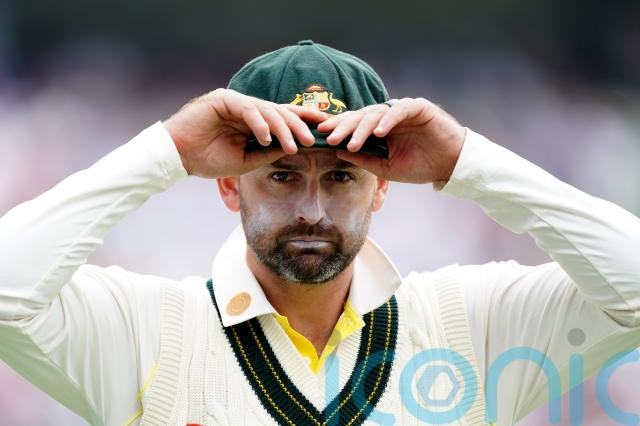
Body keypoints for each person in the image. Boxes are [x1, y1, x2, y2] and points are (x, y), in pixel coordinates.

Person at [1, 39, 639, 426]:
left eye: (341, 177)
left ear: (381, 187)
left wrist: (465, 161)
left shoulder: (469, 324)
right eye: (281, 176)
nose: (312, 209)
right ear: (228, 185)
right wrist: (167, 150)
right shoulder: (147, 331)